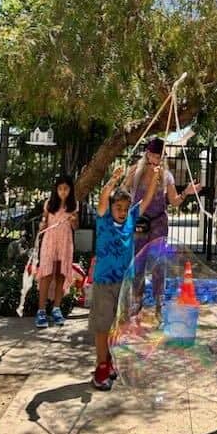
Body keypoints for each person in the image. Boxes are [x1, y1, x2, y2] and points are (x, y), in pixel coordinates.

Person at [89, 164, 160, 391]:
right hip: (104, 282)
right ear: (111, 207)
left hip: (124, 283)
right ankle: (100, 367)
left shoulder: (130, 219)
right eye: (117, 207)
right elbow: (102, 200)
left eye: (124, 207)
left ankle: (109, 362)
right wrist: (112, 181)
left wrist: (155, 176)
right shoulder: (103, 219)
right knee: (102, 326)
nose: (121, 211)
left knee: (118, 326)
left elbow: (147, 199)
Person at [123, 137, 201, 315]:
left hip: (159, 222)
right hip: (140, 222)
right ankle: (137, 299)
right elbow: (123, 191)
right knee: (138, 261)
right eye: (152, 154)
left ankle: (159, 300)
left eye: (159, 156)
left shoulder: (166, 175)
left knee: (159, 262)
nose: (155, 158)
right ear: (147, 154)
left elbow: (173, 202)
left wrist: (186, 193)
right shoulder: (135, 171)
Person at [35, 175, 78, 329]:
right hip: (50, 241)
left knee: (60, 274)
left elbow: (75, 227)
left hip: (65, 243)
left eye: (66, 189)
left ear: (70, 190)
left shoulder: (73, 206)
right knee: (46, 274)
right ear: (56, 190)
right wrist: (42, 224)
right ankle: (41, 310)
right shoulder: (49, 204)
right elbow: (44, 220)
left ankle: (56, 308)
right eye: (60, 189)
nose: (63, 192)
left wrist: (73, 221)